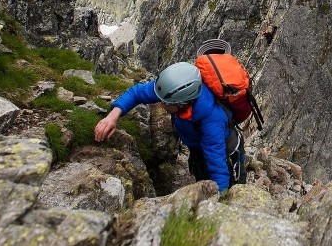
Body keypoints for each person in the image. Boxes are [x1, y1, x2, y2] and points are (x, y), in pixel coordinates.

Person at [94, 61, 242, 192]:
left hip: (225, 151)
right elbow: (137, 93)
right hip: (197, 145)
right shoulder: (173, 91)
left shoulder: (211, 120)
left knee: (226, 185)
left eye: (166, 103)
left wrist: (221, 198)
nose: (160, 104)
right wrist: (113, 116)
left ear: (182, 103)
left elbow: (217, 164)